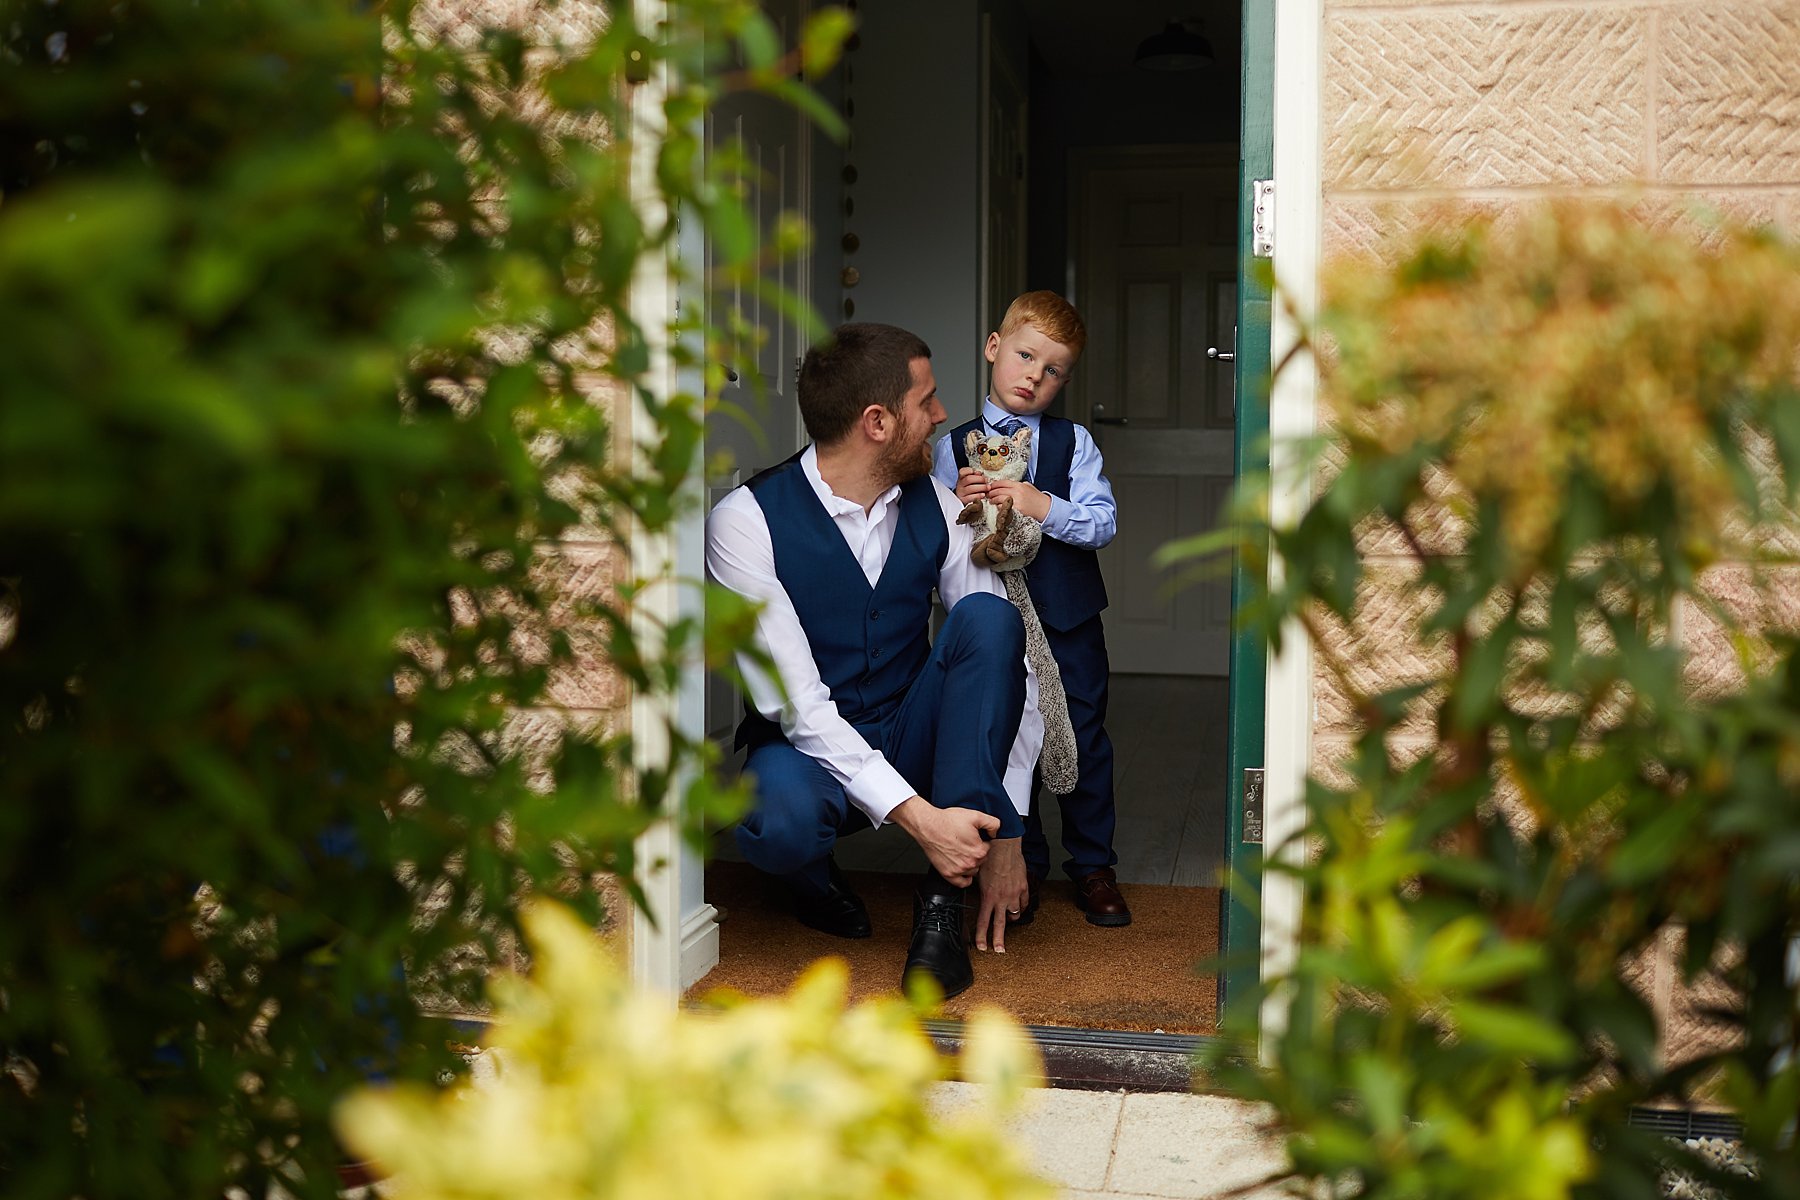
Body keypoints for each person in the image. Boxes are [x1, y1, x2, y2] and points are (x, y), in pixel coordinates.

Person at [705, 322, 1045, 1000]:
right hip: (807, 748)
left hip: (910, 730)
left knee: (990, 615)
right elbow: (799, 708)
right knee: (777, 821)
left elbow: (1007, 663)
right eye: (927, 400)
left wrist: (1007, 828)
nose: (943, 415)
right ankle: (809, 880)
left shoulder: (940, 508)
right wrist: (923, 822)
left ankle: (941, 903)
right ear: (878, 422)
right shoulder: (745, 521)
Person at [932, 291, 1131, 927]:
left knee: (1083, 735)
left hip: (1069, 620)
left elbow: (1102, 523)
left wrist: (1040, 504)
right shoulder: (951, 447)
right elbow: (935, 539)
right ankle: (1026, 859)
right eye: (1024, 356)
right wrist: (958, 502)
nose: (1034, 377)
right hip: (994, 618)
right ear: (994, 347)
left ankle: (1093, 865)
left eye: (1053, 371)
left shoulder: (1075, 442)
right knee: (1011, 731)